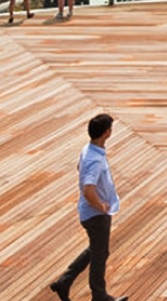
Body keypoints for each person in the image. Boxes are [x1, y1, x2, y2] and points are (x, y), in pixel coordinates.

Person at [50, 113, 127, 301]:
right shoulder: (95, 160)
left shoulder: (89, 150)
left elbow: (79, 168)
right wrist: (100, 205)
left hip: (89, 212)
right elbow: (88, 190)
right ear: (107, 132)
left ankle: (64, 282)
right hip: (96, 215)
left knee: (97, 249)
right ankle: (99, 296)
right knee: (99, 255)